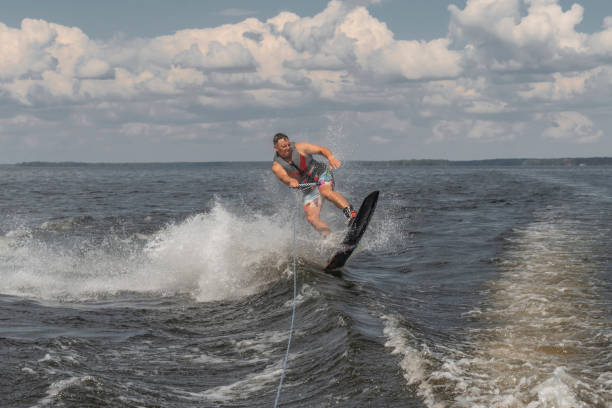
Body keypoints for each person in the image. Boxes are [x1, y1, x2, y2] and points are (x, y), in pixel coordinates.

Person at [272, 132, 356, 238]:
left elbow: (322, 150)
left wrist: (330, 157)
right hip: (308, 187)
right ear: (276, 148)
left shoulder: (301, 147)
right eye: (284, 146)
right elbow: (284, 177)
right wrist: (290, 181)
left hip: (320, 173)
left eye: (288, 145)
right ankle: (331, 240)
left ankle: (350, 213)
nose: (288, 148)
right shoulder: (277, 166)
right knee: (312, 218)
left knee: (325, 191)